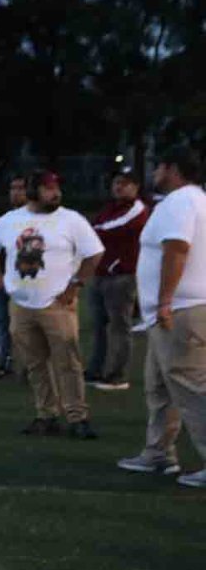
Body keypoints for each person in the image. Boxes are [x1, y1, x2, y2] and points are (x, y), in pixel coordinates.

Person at [0, 170, 105, 439]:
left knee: (68, 363)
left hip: (57, 304)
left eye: (56, 187)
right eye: (48, 188)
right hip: (21, 304)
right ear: (32, 191)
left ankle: (77, 417)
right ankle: (46, 414)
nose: (55, 193)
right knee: (35, 364)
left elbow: (95, 253)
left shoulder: (71, 219)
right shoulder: (10, 220)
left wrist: (76, 284)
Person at [117, 146, 206, 486]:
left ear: (172, 169)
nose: (154, 173)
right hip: (177, 310)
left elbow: (176, 248)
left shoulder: (180, 202)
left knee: (191, 387)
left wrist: (165, 300)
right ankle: (158, 452)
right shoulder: (196, 200)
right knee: (159, 387)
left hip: (180, 310)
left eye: (159, 167)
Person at [86, 168, 149, 390]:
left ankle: (117, 375)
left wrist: (91, 231)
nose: (119, 187)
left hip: (122, 275)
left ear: (136, 187)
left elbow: (111, 228)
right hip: (102, 273)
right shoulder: (109, 208)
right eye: (116, 182)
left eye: (125, 183)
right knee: (99, 326)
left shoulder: (138, 209)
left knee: (120, 327)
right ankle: (96, 369)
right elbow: (98, 228)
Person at [0, 175, 30, 378]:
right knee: (3, 324)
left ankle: (29, 365)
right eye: (13, 188)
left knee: (26, 325)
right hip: (2, 280)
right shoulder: (3, 218)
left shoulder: (37, 219)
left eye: (21, 188)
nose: (16, 192)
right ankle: (6, 362)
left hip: (26, 280)